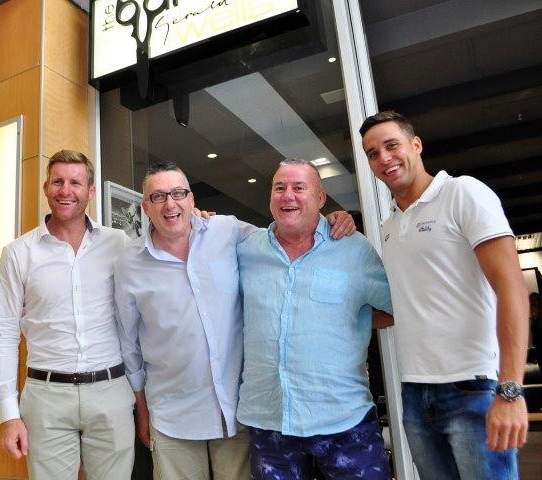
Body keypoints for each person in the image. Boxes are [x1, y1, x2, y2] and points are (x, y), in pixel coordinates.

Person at [114, 161, 355, 480]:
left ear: (191, 199)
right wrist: (141, 409)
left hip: (239, 413)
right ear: (146, 207)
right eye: (158, 197)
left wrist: (330, 220)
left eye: (178, 193)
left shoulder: (226, 231)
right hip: (172, 417)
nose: (170, 204)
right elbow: (129, 346)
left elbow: (285, 238)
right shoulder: (129, 263)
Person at [359, 111, 530, 479]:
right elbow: (404, 305)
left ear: (416, 145)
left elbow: (511, 287)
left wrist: (510, 390)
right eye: (373, 153)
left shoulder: (462, 192)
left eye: (392, 145)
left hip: (474, 388)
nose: (384, 158)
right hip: (415, 395)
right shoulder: (389, 225)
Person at [236, 158, 393, 480]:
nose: (287, 195)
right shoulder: (244, 250)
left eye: (298, 188)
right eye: (279, 188)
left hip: (344, 420)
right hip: (270, 422)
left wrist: (351, 320)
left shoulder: (354, 249)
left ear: (320, 199)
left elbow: (394, 309)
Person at [0, 150, 136, 480]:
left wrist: (197, 223)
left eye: (75, 182)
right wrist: (9, 414)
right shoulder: (18, 253)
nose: (65, 190)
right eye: (58, 181)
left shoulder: (120, 244)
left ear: (91, 191)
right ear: (46, 187)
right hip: (46, 397)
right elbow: (2, 333)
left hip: (110, 391)